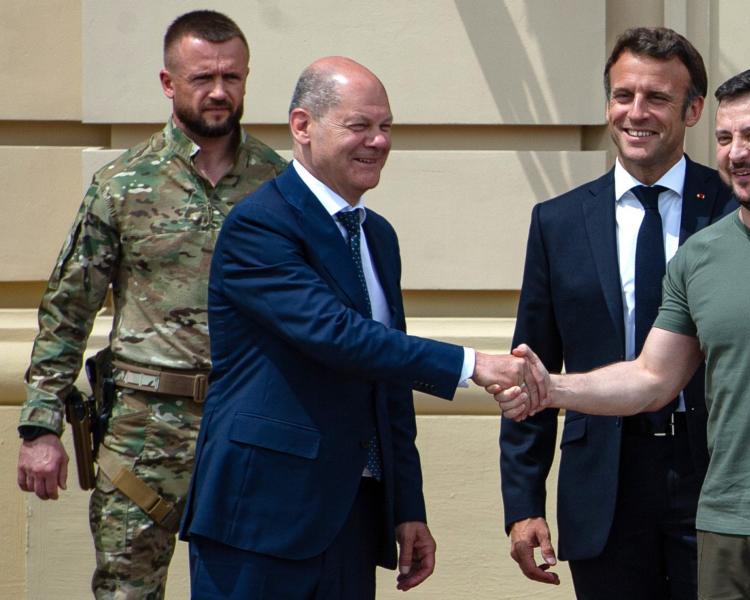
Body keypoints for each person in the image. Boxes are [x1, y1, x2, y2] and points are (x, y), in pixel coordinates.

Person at [499, 27, 750, 599]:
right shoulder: (659, 244)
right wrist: (547, 401)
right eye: (726, 137)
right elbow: (647, 374)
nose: (737, 152)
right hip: (673, 509)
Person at [179, 56, 537, 600]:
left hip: (350, 516)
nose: (378, 141)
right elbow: (336, 335)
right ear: (302, 126)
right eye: (359, 126)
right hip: (262, 517)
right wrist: (472, 364)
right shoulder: (260, 224)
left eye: (386, 126)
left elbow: (385, 382)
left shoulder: (377, 236)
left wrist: (406, 508)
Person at [15, 10, 288, 598]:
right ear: (168, 83)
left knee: (255, 589)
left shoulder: (280, 183)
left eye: (232, 78)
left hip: (248, 426)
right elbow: (68, 308)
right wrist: (41, 426)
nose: (219, 92)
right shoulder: (122, 184)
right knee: (126, 591)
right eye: (202, 78)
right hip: (143, 434)